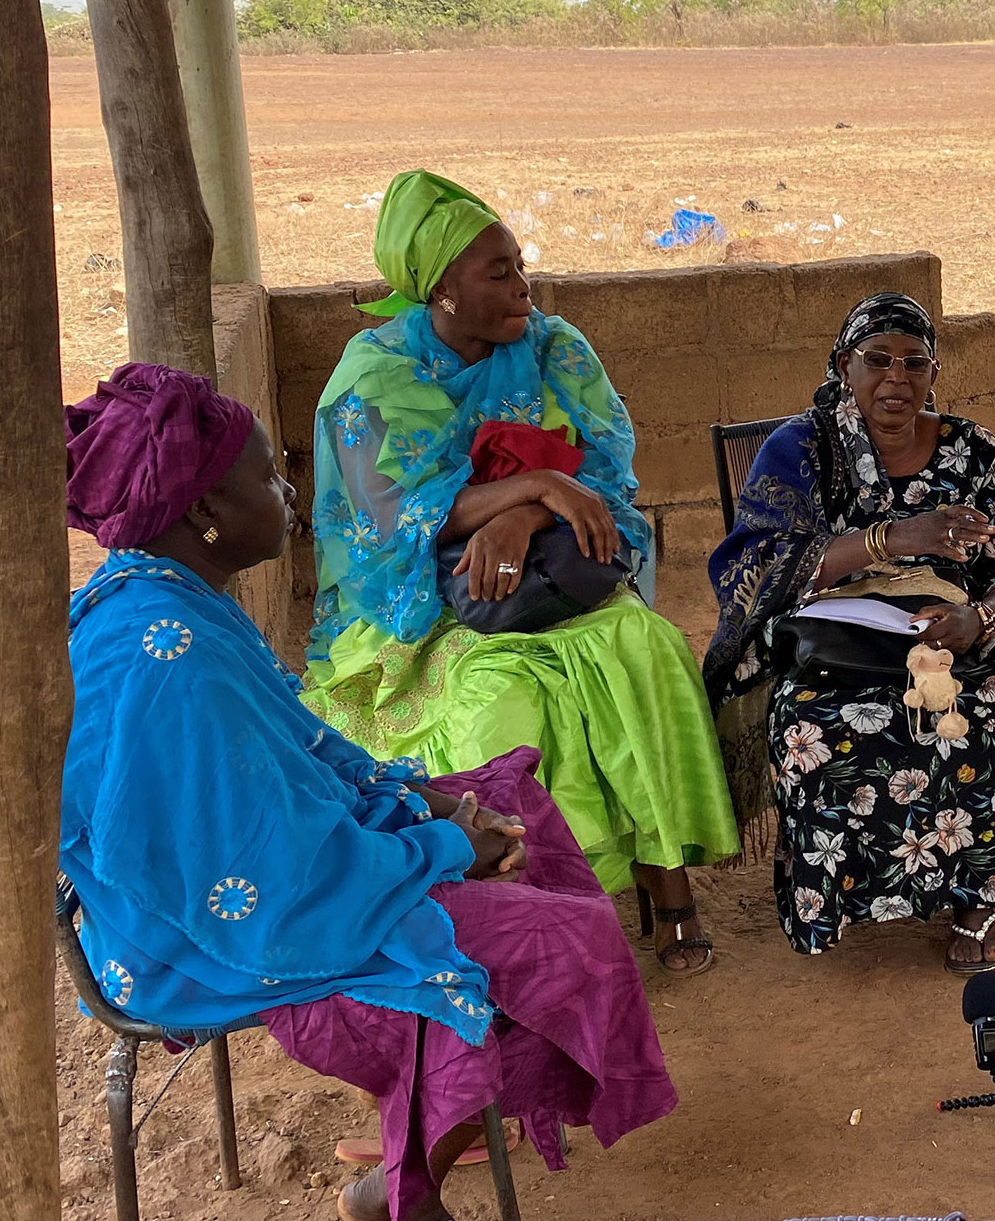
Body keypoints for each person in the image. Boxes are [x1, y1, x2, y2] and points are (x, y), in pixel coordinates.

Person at [58, 364, 679, 1221]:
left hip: (270, 872)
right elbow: (265, 867)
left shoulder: (171, 597)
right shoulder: (168, 653)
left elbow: (299, 764)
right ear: (204, 514)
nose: (287, 489)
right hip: (208, 934)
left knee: (516, 799)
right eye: (265, 476)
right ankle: (405, 1186)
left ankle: (415, 1141)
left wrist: (429, 804)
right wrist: (448, 844)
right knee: (570, 943)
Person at [303, 170, 739, 976]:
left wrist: (524, 513)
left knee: (644, 651)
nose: (523, 289)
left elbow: (608, 472)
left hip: (551, 569)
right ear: (440, 291)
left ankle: (671, 893)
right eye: (498, 273)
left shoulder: (554, 346)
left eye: (521, 265)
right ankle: (547, 913)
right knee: (507, 699)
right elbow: (391, 519)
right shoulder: (372, 379)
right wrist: (538, 483)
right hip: (424, 603)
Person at [703, 293, 995, 971]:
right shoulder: (801, 448)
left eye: (916, 363)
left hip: (956, 631)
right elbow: (756, 569)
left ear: (934, 374)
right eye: (877, 360)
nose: (897, 378)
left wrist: (979, 621)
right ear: (843, 366)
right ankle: (858, 890)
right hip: (843, 638)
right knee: (813, 723)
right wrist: (892, 538)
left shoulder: (979, 454)